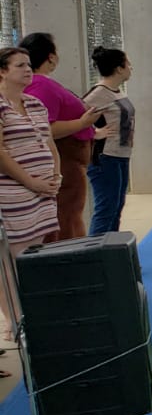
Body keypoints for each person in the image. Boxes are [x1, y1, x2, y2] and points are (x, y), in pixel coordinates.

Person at [19, 32, 104, 241]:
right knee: (66, 215)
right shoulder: (41, 85)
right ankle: (69, 256)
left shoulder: (42, 84)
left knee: (69, 213)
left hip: (70, 159)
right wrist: (82, 123)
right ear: (50, 56)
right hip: (64, 159)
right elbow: (45, 128)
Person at [0, 46, 61, 255]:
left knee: (33, 259)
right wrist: (31, 182)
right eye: (20, 65)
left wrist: (56, 176)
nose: (27, 69)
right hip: (13, 198)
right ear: (2, 71)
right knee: (14, 261)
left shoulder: (35, 104)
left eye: (28, 65)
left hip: (42, 196)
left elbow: (49, 144)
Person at [82, 47, 135, 236]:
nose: (131, 67)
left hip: (121, 156)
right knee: (106, 209)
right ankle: (95, 250)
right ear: (119, 68)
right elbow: (76, 115)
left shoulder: (116, 92)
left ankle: (110, 248)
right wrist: (94, 132)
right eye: (128, 63)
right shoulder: (98, 93)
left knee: (116, 206)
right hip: (105, 158)